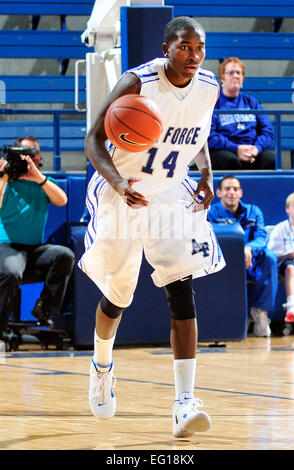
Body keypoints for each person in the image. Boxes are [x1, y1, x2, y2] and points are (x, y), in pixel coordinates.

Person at [79, 16, 226, 438]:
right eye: (184, 48)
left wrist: (206, 173)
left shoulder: (209, 87)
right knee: (118, 294)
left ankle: (184, 402)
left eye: (199, 48)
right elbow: (92, 140)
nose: (193, 56)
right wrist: (119, 183)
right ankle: (102, 363)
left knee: (180, 284)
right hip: (120, 189)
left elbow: (197, 135)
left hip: (167, 192)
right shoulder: (137, 82)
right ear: (166, 48)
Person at [0, 136, 75, 342]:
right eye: (22, 153)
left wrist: (38, 178)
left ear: (38, 157)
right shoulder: (5, 182)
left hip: (34, 250)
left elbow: (62, 200)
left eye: (32, 153)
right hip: (6, 246)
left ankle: (44, 309)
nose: (26, 157)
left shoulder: (42, 183)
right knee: (12, 270)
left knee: (64, 255)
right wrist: (3, 176)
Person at [208, 175, 278, 337]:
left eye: (235, 189)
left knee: (270, 258)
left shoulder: (254, 211)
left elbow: (262, 236)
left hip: (250, 259)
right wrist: (234, 251)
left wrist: (249, 249)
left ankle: (260, 313)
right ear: (218, 192)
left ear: (241, 193)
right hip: (224, 260)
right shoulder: (211, 212)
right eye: (227, 189)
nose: (231, 192)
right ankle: (237, 317)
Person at [208, 57, 275, 170]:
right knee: (231, 161)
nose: (235, 76)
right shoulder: (214, 103)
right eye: (230, 73)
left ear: (242, 78)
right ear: (222, 78)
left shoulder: (252, 102)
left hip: (252, 150)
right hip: (225, 150)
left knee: (270, 160)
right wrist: (236, 149)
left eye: (238, 73)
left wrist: (256, 148)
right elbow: (209, 136)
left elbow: (268, 131)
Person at [268, 192, 294, 323]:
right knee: (291, 268)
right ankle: (292, 306)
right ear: (288, 209)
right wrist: (288, 255)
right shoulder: (280, 228)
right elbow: (271, 254)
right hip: (287, 262)